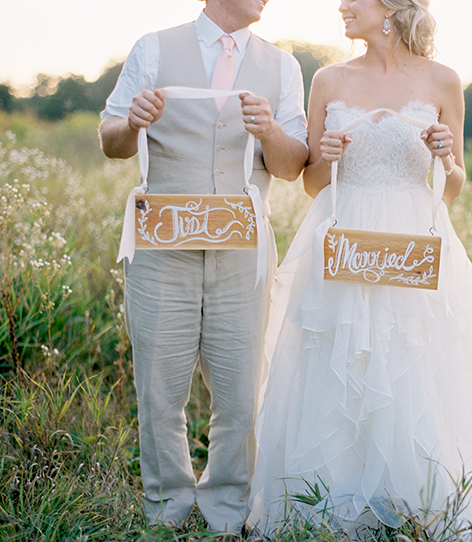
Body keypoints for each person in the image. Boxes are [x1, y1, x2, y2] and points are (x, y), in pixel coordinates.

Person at [248, 0, 472, 539]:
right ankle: (332, 500)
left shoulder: (443, 81)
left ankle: (417, 498)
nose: (341, 6)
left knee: (412, 363)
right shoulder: (329, 79)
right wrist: (328, 156)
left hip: (413, 240)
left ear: (388, 7)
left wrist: (445, 158)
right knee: (340, 360)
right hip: (344, 237)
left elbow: (452, 189)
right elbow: (313, 184)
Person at [98, 0, 308, 532]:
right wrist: (134, 123)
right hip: (162, 247)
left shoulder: (283, 66)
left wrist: (268, 132)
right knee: (160, 388)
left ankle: (225, 508)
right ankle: (166, 508)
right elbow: (111, 141)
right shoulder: (153, 48)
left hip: (243, 252)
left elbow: (290, 166)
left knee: (240, 393)